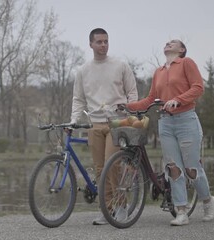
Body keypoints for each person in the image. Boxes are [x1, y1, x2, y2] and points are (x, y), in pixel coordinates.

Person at [124, 39, 214, 226]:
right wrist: (126, 106)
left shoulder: (186, 63)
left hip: (186, 120)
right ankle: (181, 211)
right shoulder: (158, 72)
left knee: (191, 168)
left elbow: (198, 87)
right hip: (165, 123)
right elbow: (151, 99)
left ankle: (207, 200)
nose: (168, 43)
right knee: (173, 167)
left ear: (181, 49)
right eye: (167, 42)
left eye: (173, 42)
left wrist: (178, 100)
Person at [70, 28, 138, 225]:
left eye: (106, 41)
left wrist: (130, 113)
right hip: (95, 123)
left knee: (113, 164)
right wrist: (73, 121)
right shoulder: (83, 71)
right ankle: (107, 209)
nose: (103, 45)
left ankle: (121, 206)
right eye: (99, 42)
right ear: (90, 44)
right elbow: (78, 99)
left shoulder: (120, 65)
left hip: (117, 122)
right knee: (100, 169)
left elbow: (132, 92)